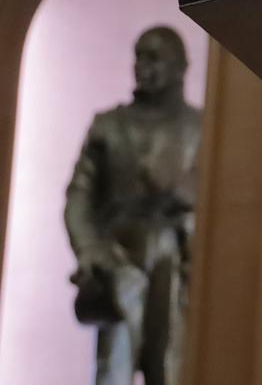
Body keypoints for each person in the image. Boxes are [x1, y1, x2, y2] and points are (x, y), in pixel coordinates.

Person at [65, 26, 203, 385]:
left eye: (154, 58)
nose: (142, 66)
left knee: (170, 363)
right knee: (114, 365)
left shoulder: (202, 129)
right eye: (139, 56)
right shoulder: (108, 127)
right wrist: (90, 249)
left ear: (180, 67)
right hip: (119, 261)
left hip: (175, 265)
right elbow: (79, 197)